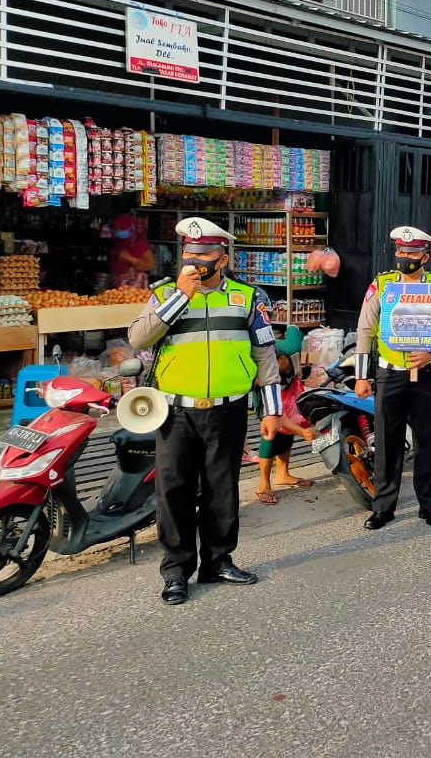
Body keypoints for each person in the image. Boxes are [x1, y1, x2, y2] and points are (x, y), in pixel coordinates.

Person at [127, 216, 281, 606]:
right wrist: (181, 296)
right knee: (174, 492)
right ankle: (176, 572)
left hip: (228, 410)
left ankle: (218, 561)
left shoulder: (247, 297)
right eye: (189, 254)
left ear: (222, 258)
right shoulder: (165, 294)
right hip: (176, 412)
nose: (195, 262)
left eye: (204, 255)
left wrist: (272, 410)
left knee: (222, 489)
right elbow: (138, 338)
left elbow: (265, 355)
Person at [354, 227, 431, 530]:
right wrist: (361, 376)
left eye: (412, 253)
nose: (405, 258)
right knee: (386, 442)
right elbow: (365, 330)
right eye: (401, 252)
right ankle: (383, 507)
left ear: (425, 257)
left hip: (427, 374)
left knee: (427, 441)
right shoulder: (382, 285)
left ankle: (429, 506)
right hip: (390, 373)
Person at [254, 325, 315, 504]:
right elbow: (279, 419)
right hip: (267, 403)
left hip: (287, 396)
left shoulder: (289, 351)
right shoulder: (260, 373)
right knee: (271, 435)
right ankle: (263, 484)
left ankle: (282, 474)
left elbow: (294, 332)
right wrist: (303, 433)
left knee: (286, 437)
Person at [107, 212, 154, 289]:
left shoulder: (139, 242)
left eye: (120, 228)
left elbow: (150, 265)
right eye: (115, 228)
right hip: (117, 286)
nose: (117, 231)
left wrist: (129, 258)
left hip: (134, 288)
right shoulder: (116, 243)